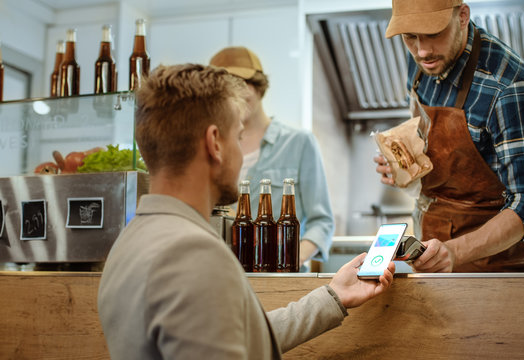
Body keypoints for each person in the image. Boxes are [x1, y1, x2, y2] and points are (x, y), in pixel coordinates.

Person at [97, 64, 395, 359]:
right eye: (238, 137)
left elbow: (237, 336)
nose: (243, 154)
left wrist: (333, 297)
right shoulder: (192, 252)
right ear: (215, 143)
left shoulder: (127, 243)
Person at [375, 0, 524, 272]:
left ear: (463, 16)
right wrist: (406, 167)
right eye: (410, 37)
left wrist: (453, 251)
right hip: (430, 246)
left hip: (491, 267)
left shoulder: (510, 88)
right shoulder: (421, 62)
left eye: (433, 34)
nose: (422, 50)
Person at [209, 46, 334, 271]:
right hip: (226, 275)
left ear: (258, 87)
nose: (234, 97)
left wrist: (289, 260)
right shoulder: (213, 147)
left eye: (240, 85)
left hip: (281, 280)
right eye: (224, 90)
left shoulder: (299, 143)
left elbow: (321, 222)